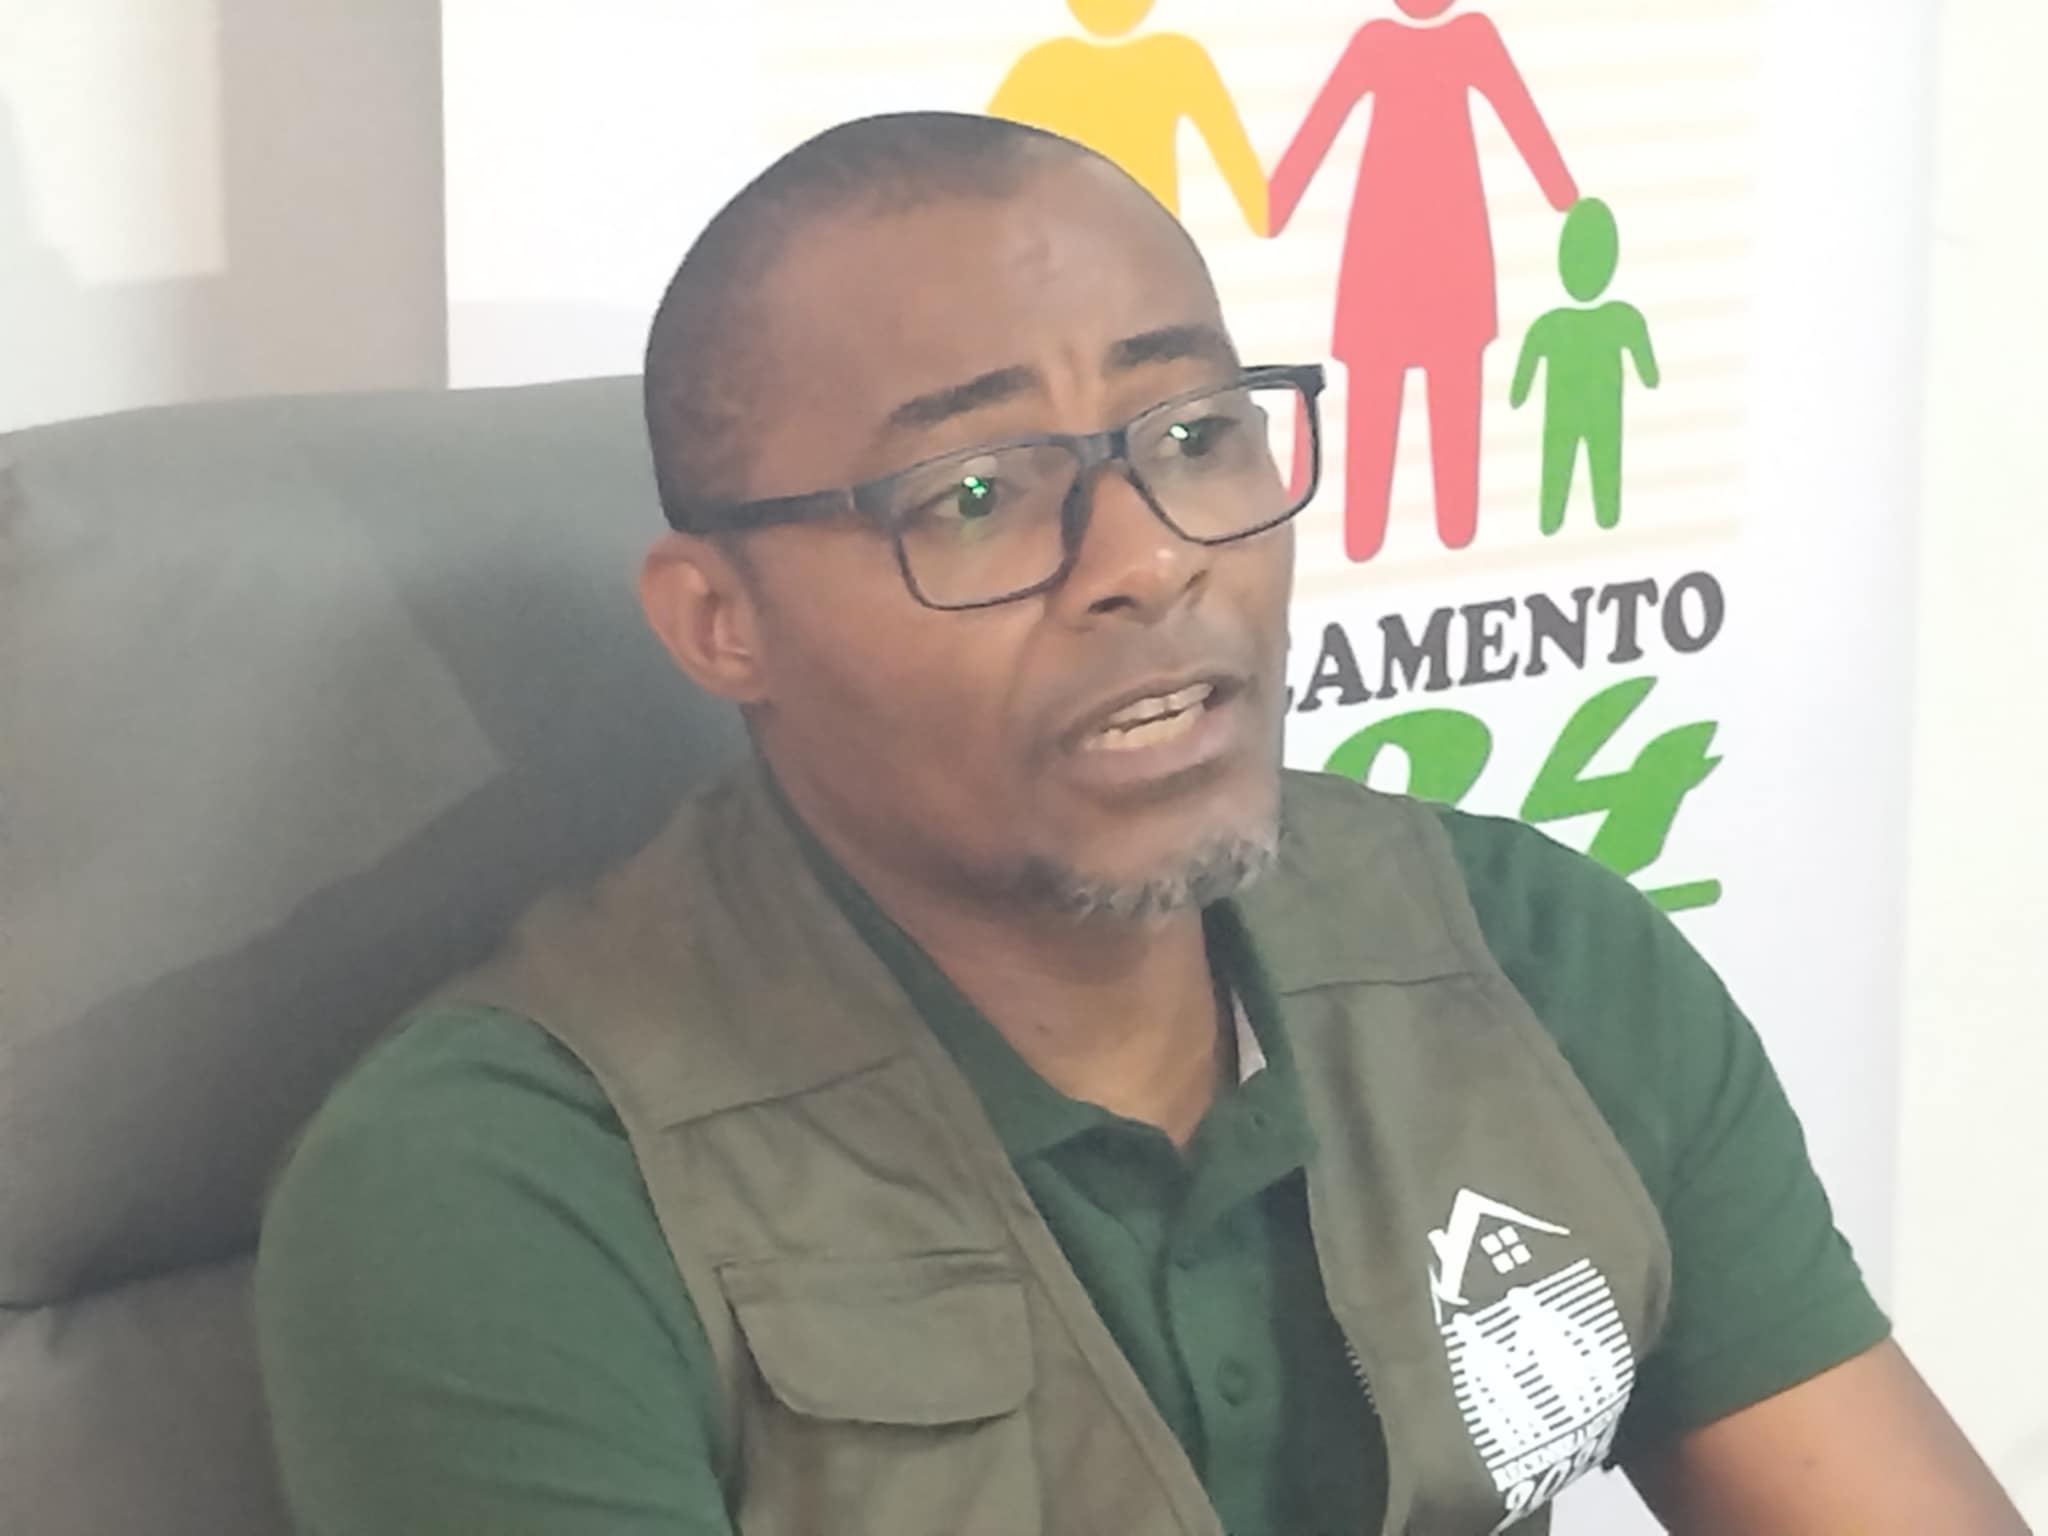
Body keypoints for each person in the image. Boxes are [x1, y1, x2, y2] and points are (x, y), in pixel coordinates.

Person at [254, 112, 2026, 1535]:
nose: (1149, 558)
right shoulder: (508, 1189)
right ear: (720, 621)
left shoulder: (1523, 956)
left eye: (1192, 435)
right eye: (973, 493)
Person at [1269, 1, 1579, 562]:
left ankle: (1454, 533)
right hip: (1384, 254)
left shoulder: (1472, 37)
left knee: (1453, 388)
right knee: (1376, 389)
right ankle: (1364, 538)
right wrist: (1274, 204)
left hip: (1449, 255)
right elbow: (1320, 127)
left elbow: (1522, 120)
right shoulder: (1375, 42)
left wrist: (1567, 200)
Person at [990, 0, 1267, 234]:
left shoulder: (1044, 63)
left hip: (1109, 245)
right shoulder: (1177, 57)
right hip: (1135, 244)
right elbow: (1258, 205)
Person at [1510, 196, 1660, 536]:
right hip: (1602, 412)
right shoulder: (1621, 319)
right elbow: (1648, 372)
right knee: (1599, 468)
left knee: (1562, 466)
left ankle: (1557, 520)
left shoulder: (1551, 324)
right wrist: (1649, 376)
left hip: (1565, 413)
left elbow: (1524, 375)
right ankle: (1599, 517)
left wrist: (1518, 395)